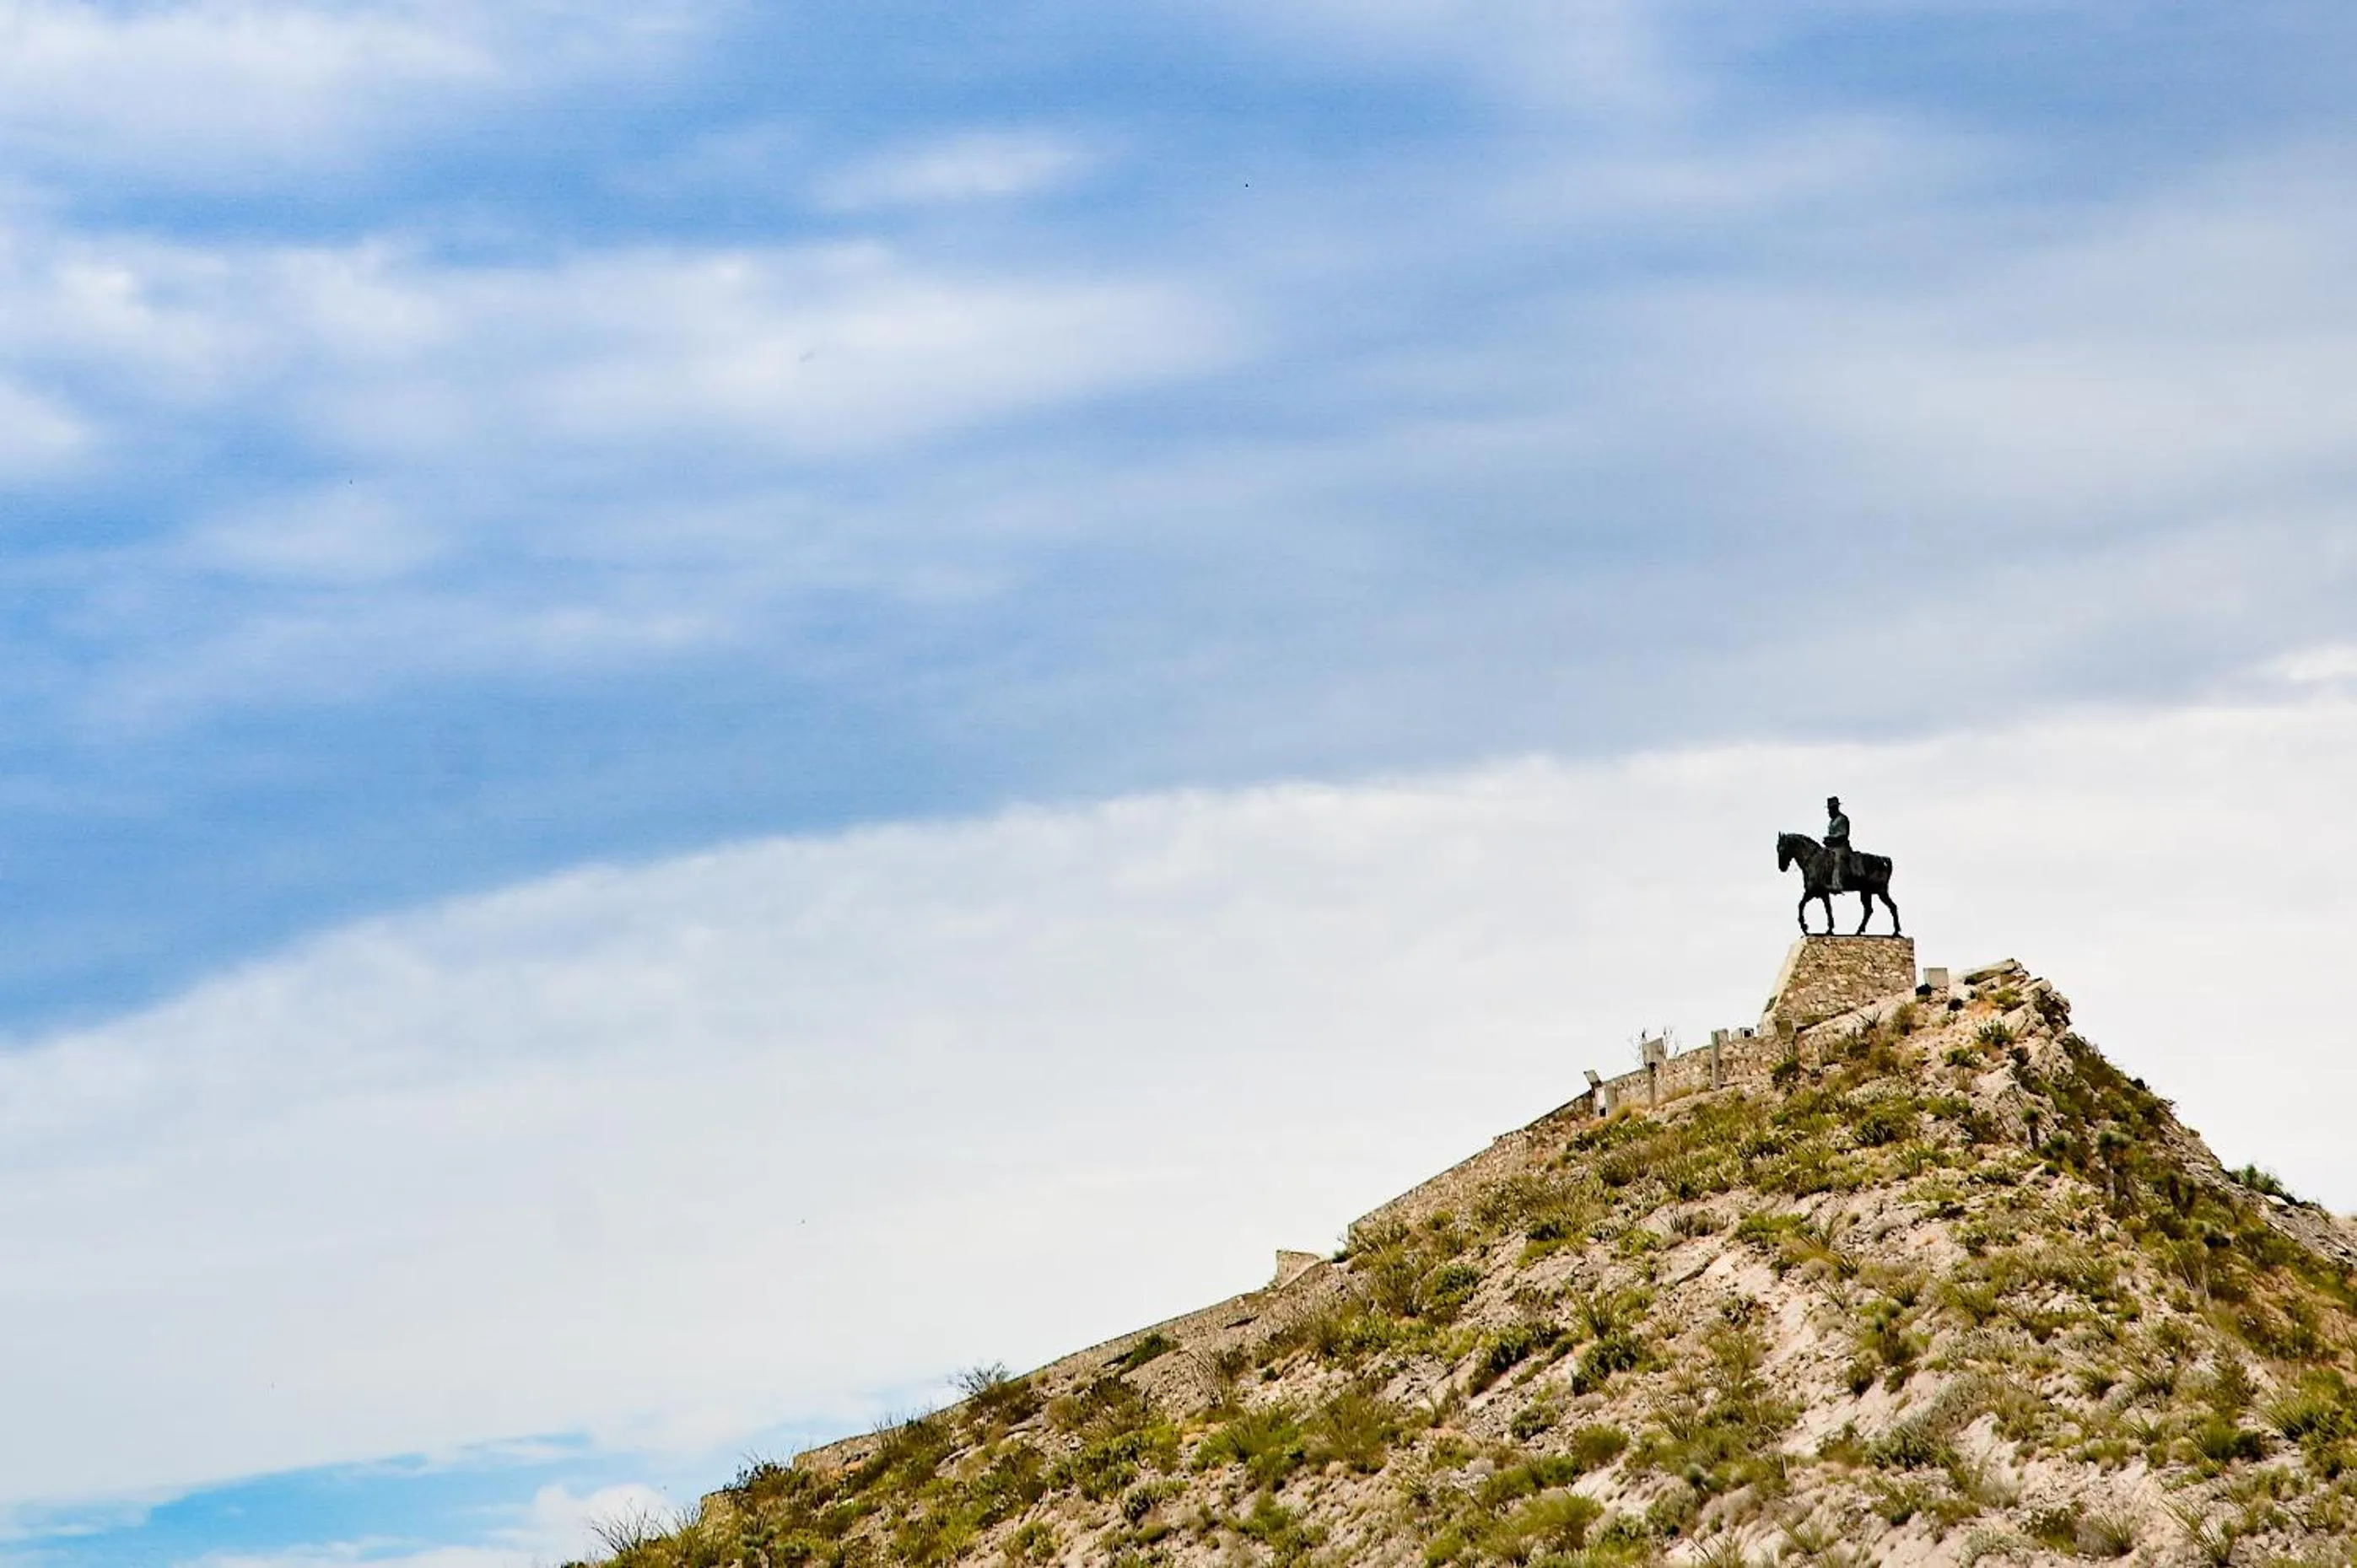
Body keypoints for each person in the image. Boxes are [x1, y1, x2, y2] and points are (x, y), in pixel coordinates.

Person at [1825, 796, 1852, 891]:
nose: (1829, 811)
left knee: (1837, 860)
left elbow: (1843, 835)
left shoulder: (1842, 819)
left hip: (1841, 846)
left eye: (1831, 808)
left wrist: (1831, 839)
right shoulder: (1832, 822)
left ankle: (1837, 884)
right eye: (1829, 809)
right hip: (1832, 847)